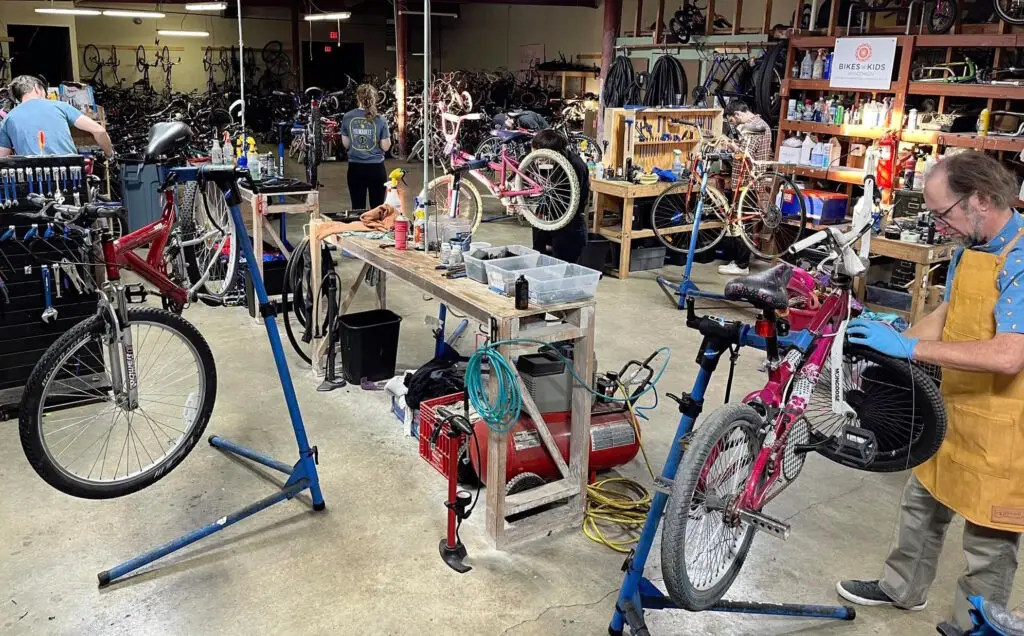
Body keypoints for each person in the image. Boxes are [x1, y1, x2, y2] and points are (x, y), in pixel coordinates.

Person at [837, 151, 1024, 632]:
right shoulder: (970, 249)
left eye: (943, 214)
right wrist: (895, 354)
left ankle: (975, 625)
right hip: (955, 402)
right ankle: (903, 589)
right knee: (923, 500)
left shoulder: (1022, 257)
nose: (939, 226)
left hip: (1007, 423)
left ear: (980, 200)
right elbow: (949, 313)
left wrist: (911, 346)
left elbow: (1008, 355)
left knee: (988, 538)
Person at [716, 99, 773, 276]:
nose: (733, 124)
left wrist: (729, 145)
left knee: (742, 222)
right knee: (740, 220)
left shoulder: (755, 127)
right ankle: (739, 260)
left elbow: (745, 154)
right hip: (748, 181)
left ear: (738, 114)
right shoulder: (760, 124)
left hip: (748, 182)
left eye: (733, 120)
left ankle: (741, 264)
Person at [0, 75, 112, 157]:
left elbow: (3, 158)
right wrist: (109, 155)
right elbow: (99, 131)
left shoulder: (8, 119)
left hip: (30, 180)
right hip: (70, 174)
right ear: (36, 89)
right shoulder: (60, 107)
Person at [528, 129, 589, 264]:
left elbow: (571, 201)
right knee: (539, 257)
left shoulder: (575, 165)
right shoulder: (544, 160)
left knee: (563, 264)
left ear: (554, 153)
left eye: (540, 156)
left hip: (567, 221)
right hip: (544, 216)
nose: (537, 160)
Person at [341, 83, 391, 209]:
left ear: (357, 98)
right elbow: (385, 147)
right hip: (376, 169)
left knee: (357, 210)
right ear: (374, 98)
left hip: (355, 169)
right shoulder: (380, 119)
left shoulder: (347, 117)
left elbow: (346, 144)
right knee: (377, 210)